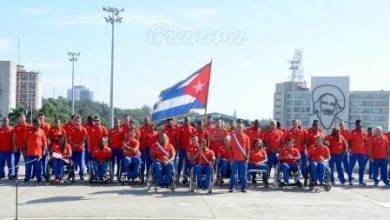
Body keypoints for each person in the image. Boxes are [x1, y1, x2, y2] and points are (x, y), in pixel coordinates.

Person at [227, 123, 250, 193]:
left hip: (243, 159)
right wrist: (231, 157)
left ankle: (244, 188)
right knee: (233, 174)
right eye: (238, 127)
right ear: (236, 129)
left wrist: (247, 158)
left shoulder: (246, 137)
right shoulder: (233, 137)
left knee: (243, 175)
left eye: (241, 127)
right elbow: (230, 148)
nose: (239, 129)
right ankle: (232, 187)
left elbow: (248, 148)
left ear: (243, 129)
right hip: (235, 159)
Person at [348, 120, 368, 186]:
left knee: (362, 167)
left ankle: (361, 181)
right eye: (357, 124)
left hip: (362, 153)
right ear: (355, 125)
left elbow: (365, 142)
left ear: (361, 125)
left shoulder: (364, 132)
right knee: (351, 167)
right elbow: (349, 142)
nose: (358, 126)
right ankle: (350, 181)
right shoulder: (352, 132)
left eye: (359, 124)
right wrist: (351, 149)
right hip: (353, 153)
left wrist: (365, 151)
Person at [68, 116, 88, 180]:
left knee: (81, 163)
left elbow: (84, 139)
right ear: (74, 122)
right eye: (76, 121)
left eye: (79, 121)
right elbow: (69, 138)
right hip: (73, 149)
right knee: (72, 163)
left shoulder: (83, 129)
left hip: (81, 150)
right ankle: (71, 174)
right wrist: (74, 144)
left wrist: (78, 145)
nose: (77, 122)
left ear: (80, 122)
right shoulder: (71, 129)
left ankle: (81, 175)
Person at [177, 116, 196, 180]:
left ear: (189, 120)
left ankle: (189, 175)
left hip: (190, 148)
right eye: (185, 120)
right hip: (182, 148)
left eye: (187, 120)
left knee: (190, 162)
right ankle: (178, 176)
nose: (186, 121)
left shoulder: (193, 129)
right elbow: (178, 139)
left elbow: (195, 139)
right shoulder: (180, 128)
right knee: (180, 162)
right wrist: (178, 148)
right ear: (183, 121)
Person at [38, 113, 51, 179]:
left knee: (44, 160)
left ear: (44, 118)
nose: (41, 119)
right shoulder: (36, 125)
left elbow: (49, 135)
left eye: (42, 118)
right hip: (38, 146)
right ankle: (38, 174)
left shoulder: (47, 126)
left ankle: (45, 174)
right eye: (40, 118)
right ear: (38, 118)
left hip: (45, 145)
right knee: (38, 161)